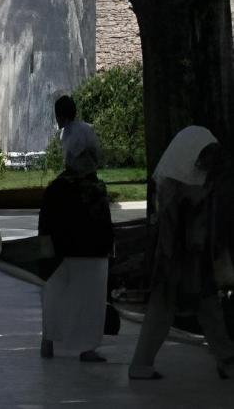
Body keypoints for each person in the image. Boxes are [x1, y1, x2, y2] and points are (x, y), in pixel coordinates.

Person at [129, 126, 234, 381]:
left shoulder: (200, 168)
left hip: (193, 255)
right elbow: (174, 227)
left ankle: (227, 361)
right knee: (164, 306)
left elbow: (207, 218)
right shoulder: (175, 184)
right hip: (176, 254)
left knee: (206, 306)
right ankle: (141, 364)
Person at [38, 109, 114, 363]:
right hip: (78, 252)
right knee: (73, 299)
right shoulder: (74, 187)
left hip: (79, 253)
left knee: (72, 299)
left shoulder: (68, 187)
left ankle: (65, 342)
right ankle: (65, 342)